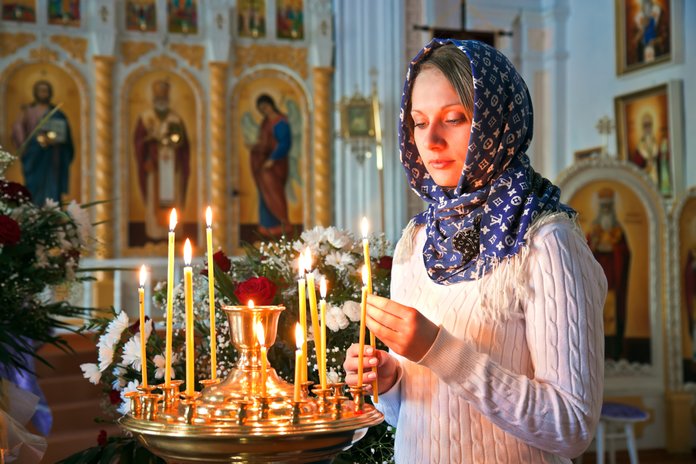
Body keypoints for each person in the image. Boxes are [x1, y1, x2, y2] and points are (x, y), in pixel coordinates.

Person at [343, 39, 607, 463]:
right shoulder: (417, 240)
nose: (430, 140)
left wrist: (440, 350)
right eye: (418, 121)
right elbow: (412, 416)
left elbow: (571, 427)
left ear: (494, 123)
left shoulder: (546, 241)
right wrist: (391, 382)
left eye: (454, 118)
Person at [133, 80, 190, 242]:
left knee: (173, 197)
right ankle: (155, 233)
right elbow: (138, 142)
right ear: (154, 96)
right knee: (154, 197)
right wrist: (145, 158)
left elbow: (184, 145)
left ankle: (175, 231)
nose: (161, 98)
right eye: (158, 95)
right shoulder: (145, 118)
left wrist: (176, 143)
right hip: (154, 167)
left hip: (173, 167)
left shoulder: (175, 118)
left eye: (164, 95)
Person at [11, 80, 74, 206]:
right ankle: (33, 213)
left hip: (52, 157)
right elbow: (18, 129)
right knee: (33, 186)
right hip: (33, 156)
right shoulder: (27, 111)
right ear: (35, 92)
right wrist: (25, 146)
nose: (43, 93)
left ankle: (52, 214)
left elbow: (66, 137)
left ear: (50, 93)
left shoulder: (57, 113)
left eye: (46, 90)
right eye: (41, 90)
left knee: (52, 187)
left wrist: (56, 139)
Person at [587, 187, 631, 361]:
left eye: (608, 207)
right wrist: (595, 247)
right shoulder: (594, 231)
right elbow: (585, 252)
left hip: (613, 279)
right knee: (598, 314)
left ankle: (614, 351)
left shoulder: (618, 231)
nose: (605, 210)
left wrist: (615, 249)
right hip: (597, 281)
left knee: (613, 316)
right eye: (603, 206)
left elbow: (626, 253)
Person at [249, 94, 291, 238]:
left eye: (265, 107)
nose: (264, 110)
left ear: (271, 104)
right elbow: (264, 143)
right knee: (265, 195)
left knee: (275, 194)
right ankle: (266, 228)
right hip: (264, 165)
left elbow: (284, 143)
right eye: (261, 109)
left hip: (275, 165)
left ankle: (283, 224)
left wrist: (272, 159)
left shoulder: (281, 122)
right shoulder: (265, 122)